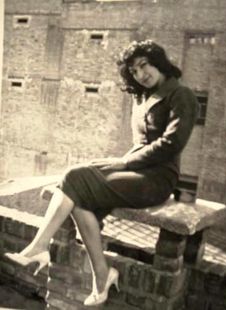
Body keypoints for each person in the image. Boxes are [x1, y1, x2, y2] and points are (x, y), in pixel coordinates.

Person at [4, 40, 199, 306]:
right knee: (78, 191)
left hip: (158, 179)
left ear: (158, 61)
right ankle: (102, 275)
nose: (141, 74)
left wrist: (124, 165)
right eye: (134, 71)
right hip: (137, 170)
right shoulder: (142, 97)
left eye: (144, 65)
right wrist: (116, 161)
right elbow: (140, 143)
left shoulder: (181, 95)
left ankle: (39, 247)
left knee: (74, 179)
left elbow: (171, 144)